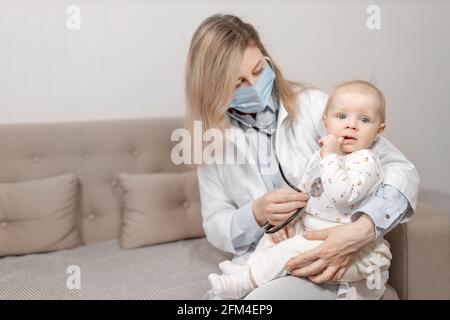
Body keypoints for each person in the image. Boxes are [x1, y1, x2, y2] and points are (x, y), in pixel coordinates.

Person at [185, 14, 419, 299]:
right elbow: (215, 224)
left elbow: (399, 168)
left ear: (267, 58)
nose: (254, 85)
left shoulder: (313, 106)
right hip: (274, 260)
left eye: (258, 70)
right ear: (214, 89)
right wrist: (255, 214)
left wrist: (364, 229)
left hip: (333, 255)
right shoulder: (212, 141)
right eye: (238, 84)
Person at [207, 80, 393, 300]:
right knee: (271, 239)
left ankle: (243, 282)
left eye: (364, 120)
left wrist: (330, 157)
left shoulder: (366, 160)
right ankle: (247, 270)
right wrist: (289, 220)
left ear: (379, 130)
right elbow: (309, 193)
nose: (351, 125)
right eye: (342, 117)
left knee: (289, 250)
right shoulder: (322, 155)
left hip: (336, 238)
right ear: (326, 123)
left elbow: (342, 195)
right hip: (311, 226)